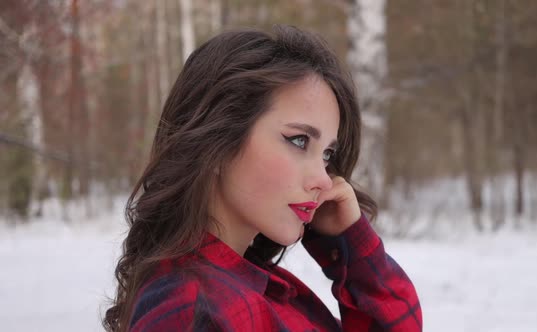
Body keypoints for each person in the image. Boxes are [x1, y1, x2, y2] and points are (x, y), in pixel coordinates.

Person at [103, 25, 422, 332]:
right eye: (299, 141)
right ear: (218, 140)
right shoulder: (192, 310)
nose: (325, 180)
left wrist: (350, 244)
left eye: (326, 154)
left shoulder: (260, 289)